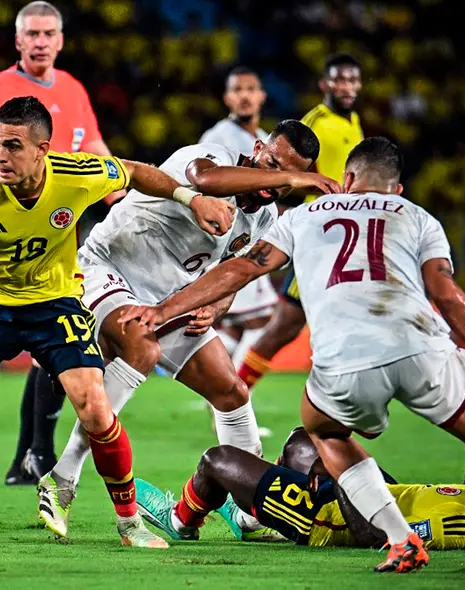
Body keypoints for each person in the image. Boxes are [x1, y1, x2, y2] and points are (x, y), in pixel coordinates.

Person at [119, 137, 465, 573]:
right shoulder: (419, 217)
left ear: (346, 179)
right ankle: (401, 530)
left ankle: (399, 540)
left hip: (344, 364)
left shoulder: (305, 215)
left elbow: (241, 268)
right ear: (396, 191)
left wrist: (164, 309)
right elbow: (446, 295)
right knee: (305, 442)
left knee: (320, 434)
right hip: (422, 347)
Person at [0, 96, 236, 547]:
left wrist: (191, 197)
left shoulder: (75, 173)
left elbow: (135, 171)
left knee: (97, 410)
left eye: (13, 146)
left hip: (54, 304)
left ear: (42, 150)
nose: (0, 155)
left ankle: (129, 523)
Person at [38, 121, 341, 538]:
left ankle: (249, 510)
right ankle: (62, 476)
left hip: (168, 300)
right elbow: (204, 179)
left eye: (287, 177)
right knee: (141, 349)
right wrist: (290, 178)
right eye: (272, 164)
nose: (276, 182)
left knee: (231, 391)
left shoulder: (265, 218)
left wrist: (216, 304)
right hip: (107, 268)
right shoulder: (211, 156)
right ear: (257, 148)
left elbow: (232, 275)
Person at [0, 0, 120, 485]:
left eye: (48, 34)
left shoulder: (73, 90)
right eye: (33, 34)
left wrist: (123, 201)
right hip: (4, 245)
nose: (41, 42)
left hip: (58, 238)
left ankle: (33, 455)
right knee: (1, 357)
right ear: (18, 40)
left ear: (61, 41)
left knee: (55, 347)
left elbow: (96, 151)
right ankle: (26, 452)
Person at [238, 53, 365, 390]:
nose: (347, 86)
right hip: (319, 237)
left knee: (328, 321)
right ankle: (234, 393)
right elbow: (288, 180)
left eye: (353, 80)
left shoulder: (353, 122)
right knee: (287, 324)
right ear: (325, 84)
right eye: (340, 79)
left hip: (345, 237)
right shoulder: (315, 123)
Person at [136, 428, 465, 554]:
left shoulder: (460, 526)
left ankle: (181, 522)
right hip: (381, 490)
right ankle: (250, 520)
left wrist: (341, 472)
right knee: (304, 440)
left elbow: (377, 537)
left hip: (328, 518)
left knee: (217, 460)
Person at [199, 67, 278, 369]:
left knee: (234, 325)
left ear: (262, 96)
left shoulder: (265, 140)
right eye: (237, 89)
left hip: (251, 234)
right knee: (262, 319)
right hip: (227, 236)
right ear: (227, 98)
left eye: (250, 89)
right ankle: (238, 389)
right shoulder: (216, 136)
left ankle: (221, 386)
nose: (245, 96)